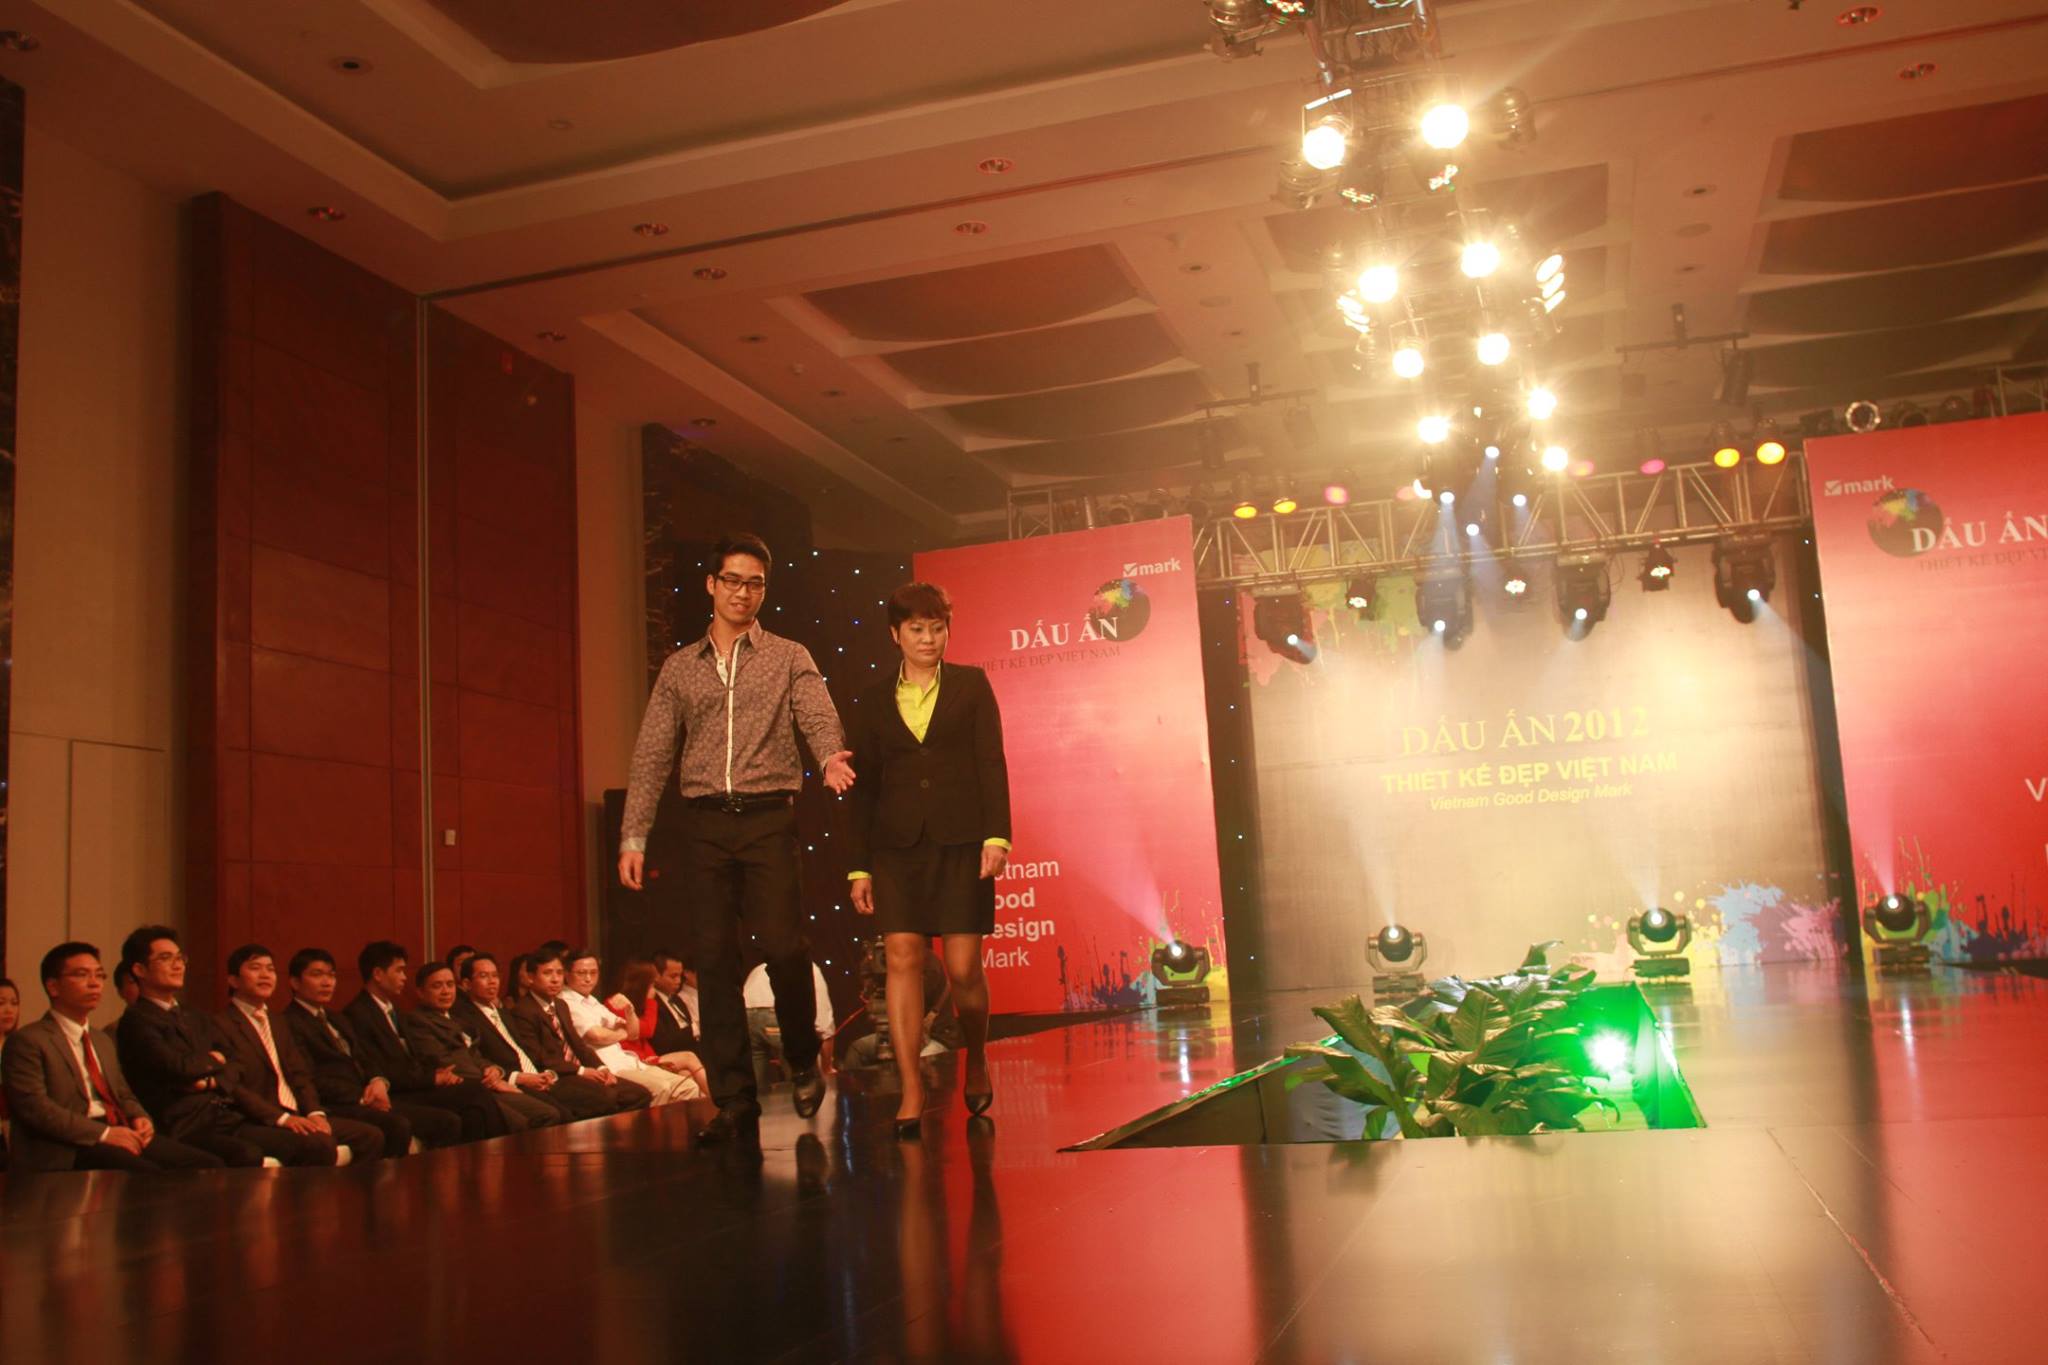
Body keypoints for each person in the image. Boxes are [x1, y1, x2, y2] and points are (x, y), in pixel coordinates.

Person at [618, 532, 855, 1143]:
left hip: (767, 817)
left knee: (783, 945)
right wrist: (634, 835)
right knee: (716, 961)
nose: (743, 593)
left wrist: (829, 755)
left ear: (763, 591)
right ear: (711, 584)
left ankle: (801, 1056)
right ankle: (733, 1100)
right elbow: (652, 753)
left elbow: (817, 713)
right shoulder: (680, 667)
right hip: (702, 824)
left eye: (755, 584)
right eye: (732, 581)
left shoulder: (788, 655)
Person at [846, 581, 1010, 1136]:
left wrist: (997, 837)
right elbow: (863, 787)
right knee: (902, 958)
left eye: (937, 628)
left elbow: (991, 762)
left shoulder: (971, 684)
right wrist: (859, 865)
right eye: (917, 629)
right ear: (895, 634)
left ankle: (977, 1055)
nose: (928, 638)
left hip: (961, 841)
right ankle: (911, 1086)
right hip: (895, 847)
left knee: (963, 970)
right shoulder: (872, 699)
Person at [114, 925, 335, 1167]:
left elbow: (235, 1063)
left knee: (317, 1144)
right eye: (166, 958)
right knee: (247, 1154)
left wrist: (209, 1081)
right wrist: (213, 1061)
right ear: (139, 969)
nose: (178, 966)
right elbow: (178, 1067)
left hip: (224, 1116)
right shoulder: (137, 1020)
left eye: (180, 958)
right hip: (184, 1123)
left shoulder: (194, 1015)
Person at [0, 943, 222, 1171]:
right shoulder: (29, 1040)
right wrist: (103, 1133)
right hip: (68, 1145)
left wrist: (139, 1117)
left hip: (118, 1128)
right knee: (150, 1175)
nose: (94, 983)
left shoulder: (101, 1039)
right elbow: (35, 1108)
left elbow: (122, 1093)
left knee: (206, 1165)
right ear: (53, 986)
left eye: (99, 975)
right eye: (82, 975)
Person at [215, 944, 385, 1163]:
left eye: (270, 969)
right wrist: (282, 1118)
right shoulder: (221, 1024)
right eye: (255, 968)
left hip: (297, 1112)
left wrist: (315, 1113)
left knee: (371, 1136)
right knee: (319, 1144)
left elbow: (300, 1074)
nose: (265, 975)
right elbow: (234, 1087)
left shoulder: (277, 1021)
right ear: (233, 980)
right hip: (256, 1120)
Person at [284, 948, 456, 1154]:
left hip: (367, 1094)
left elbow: (363, 1057)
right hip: (338, 1102)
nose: (327, 982)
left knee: (446, 1121)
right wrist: (362, 1097)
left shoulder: (335, 1017)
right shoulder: (289, 1022)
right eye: (317, 975)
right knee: (397, 1125)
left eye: (331, 975)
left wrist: (377, 1080)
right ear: (295, 982)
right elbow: (310, 1076)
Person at [342, 941, 505, 1142]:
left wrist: (441, 1073)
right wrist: (432, 1078)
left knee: (473, 1108)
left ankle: (483, 1158)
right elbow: (379, 1066)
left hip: (415, 1084)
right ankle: (498, 1154)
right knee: (472, 1093)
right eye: (399, 971)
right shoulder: (358, 1014)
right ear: (378, 974)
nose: (404, 977)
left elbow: (417, 1056)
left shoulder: (394, 1010)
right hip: (397, 1091)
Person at [455, 952, 626, 1120]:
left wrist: (600, 1068)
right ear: (466, 984)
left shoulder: (503, 1013)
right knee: (573, 1109)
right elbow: (483, 1059)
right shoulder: (468, 1017)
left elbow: (577, 1045)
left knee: (625, 1094)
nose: (492, 981)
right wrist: (522, 1077)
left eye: (495, 975)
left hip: (544, 1074)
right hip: (521, 1077)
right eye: (484, 976)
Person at [403, 963, 563, 1132]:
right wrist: (491, 1081)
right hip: (463, 1088)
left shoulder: (457, 1019)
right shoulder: (418, 1021)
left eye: (450, 985)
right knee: (534, 1118)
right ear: (420, 992)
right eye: (437, 986)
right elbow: (443, 1061)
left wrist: (492, 1069)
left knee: (550, 1112)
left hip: (486, 1082)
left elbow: (475, 1055)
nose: (446, 991)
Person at [509, 951, 652, 1113]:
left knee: (640, 1094)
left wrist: (601, 1068)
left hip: (578, 1070)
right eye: (547, 973)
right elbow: (540, 1058)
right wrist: (581, 1071)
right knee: (608, 1097)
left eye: (559, 973)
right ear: (530, 977)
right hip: (555, 1076)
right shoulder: (523, 1010)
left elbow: (579, 1045)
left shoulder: (560, 1005)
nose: (555, 979)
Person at [558, 951, 697, 1105]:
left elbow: (634, 1033)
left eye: (593, 972)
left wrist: (629, 1010)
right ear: (567, 974)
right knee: (663, 1087)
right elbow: (597, 1036)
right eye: (581, 973)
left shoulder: (592, 1001)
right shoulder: (566, 1001)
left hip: (628, 1061)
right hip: (608, 1066)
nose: (588, 978)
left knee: (688, 1086)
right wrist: (623, 1032)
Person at [742, 960, 837, 1100]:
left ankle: (756, 1111)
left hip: (747, 1015)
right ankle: (803, 1110)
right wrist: (827, 1067)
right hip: (773, 1013)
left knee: (756, 1086)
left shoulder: (759, 969)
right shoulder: (808, 967)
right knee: (801, 1079)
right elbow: (824, 1024)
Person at [638, 953, 711, 1098]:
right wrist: (694, 1029)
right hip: (662, 1055)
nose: (678, 981)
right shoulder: (650, 1001)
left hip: (689, 1052)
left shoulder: (676, 999)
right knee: (688, 1073)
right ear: (656, 976)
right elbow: (662, 1041)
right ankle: (717, 1102)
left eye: (680, 976)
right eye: (673, 976)